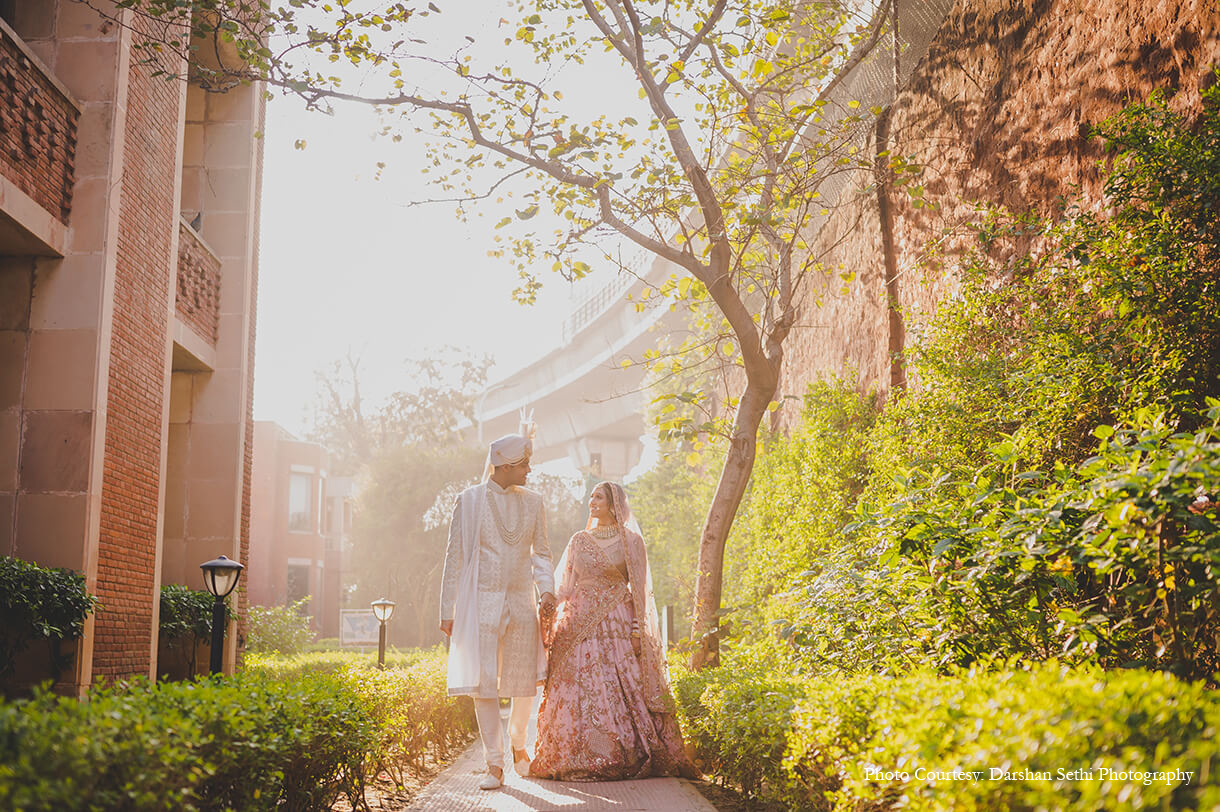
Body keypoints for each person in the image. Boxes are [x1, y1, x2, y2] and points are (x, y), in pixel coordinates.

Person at [530, 481, 697, 781]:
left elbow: (641, 590)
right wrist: (548, 607)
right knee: (577, 688)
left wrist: (637, 630)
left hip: (617, 624)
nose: (592, 501)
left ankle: (618, 752)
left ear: (614, 504)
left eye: (600, 497)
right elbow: (565, 587)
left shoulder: (632, 541)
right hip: (578, 625)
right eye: (592, 496)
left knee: (617, 684)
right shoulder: (579, 540)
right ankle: (574, 753)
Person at [439, 427, 556, 791]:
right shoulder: (469, 500)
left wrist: (547, 590)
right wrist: (448, 609)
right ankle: (494, 764)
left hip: (522, 602)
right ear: (504, 466)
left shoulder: (534, 502)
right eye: (524, 465)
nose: (529, 471)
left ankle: (519, 745)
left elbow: (542, 553)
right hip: (481, 603)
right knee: (483, 685)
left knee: (524, 684)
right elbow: (454, 557)